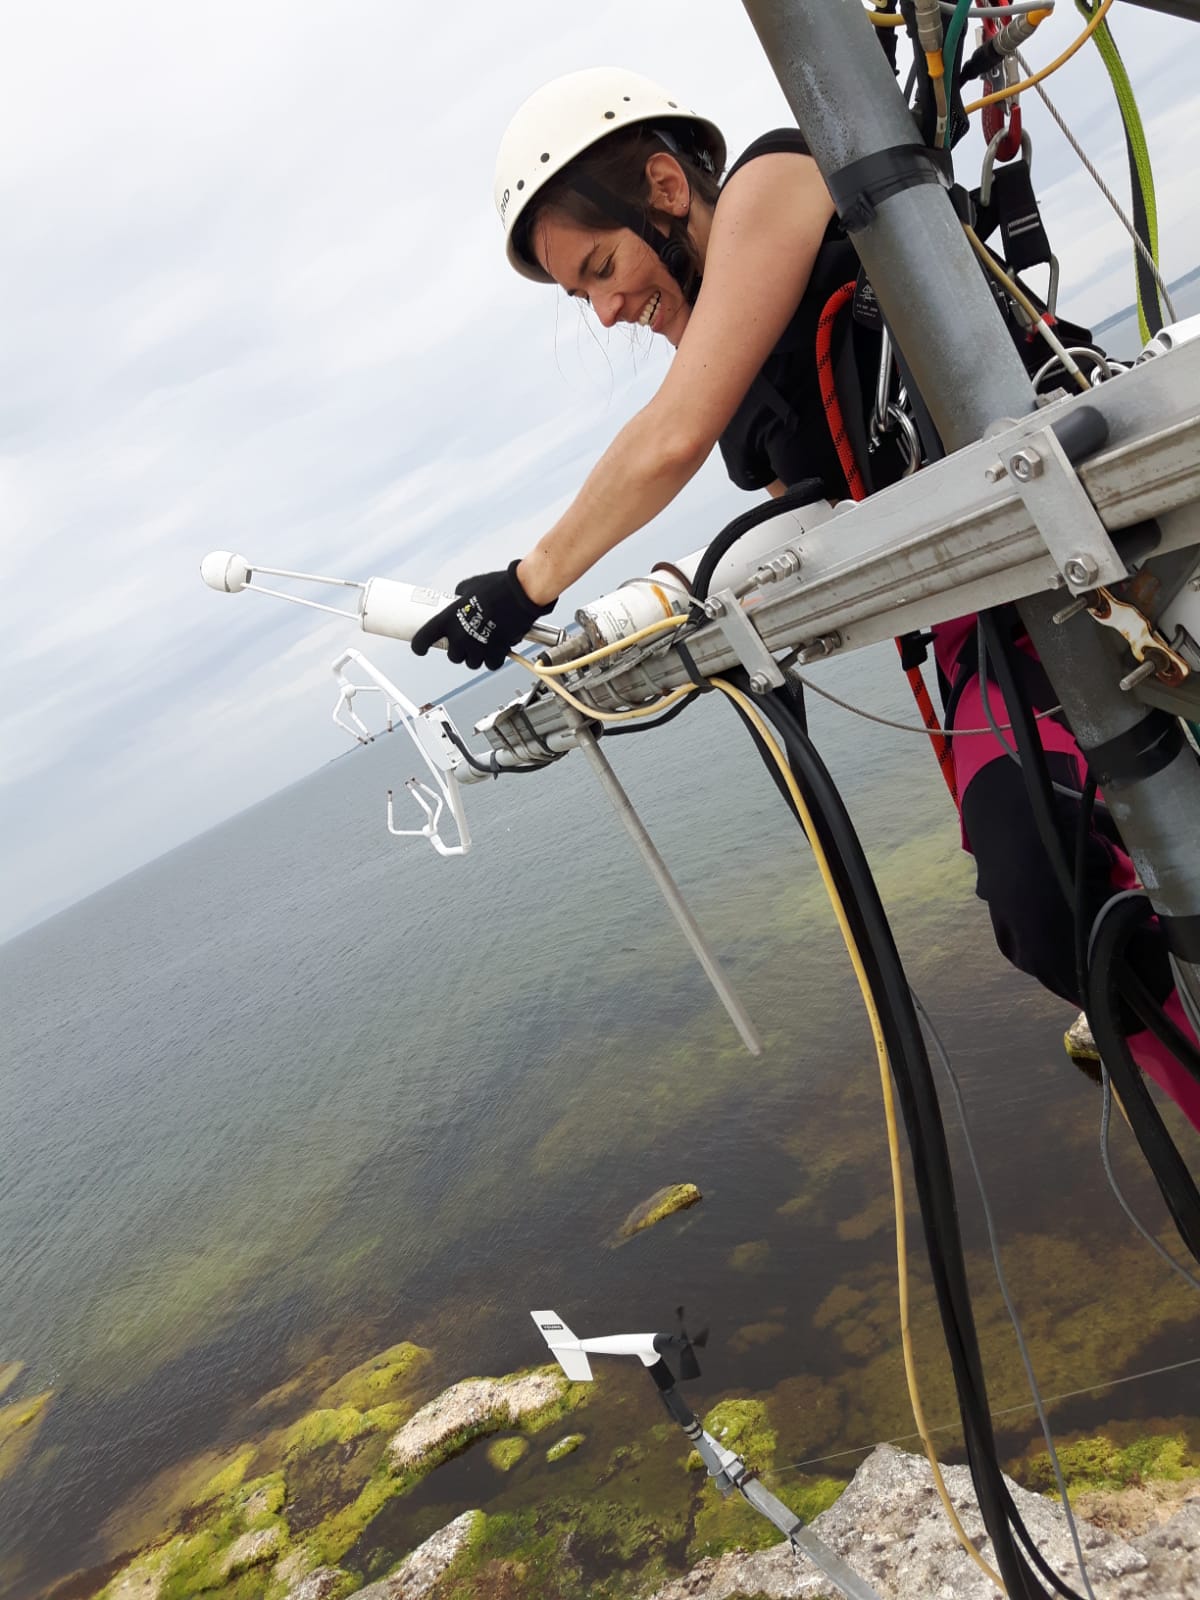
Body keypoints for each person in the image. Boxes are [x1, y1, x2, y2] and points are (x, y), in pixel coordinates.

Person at [411, 67, 1200, 1128]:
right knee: (1037, 898)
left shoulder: (783, 176)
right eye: (578, 297)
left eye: (600, 268)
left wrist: (523, 584)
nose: (604, 311)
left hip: (1095, 513)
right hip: (980, 610)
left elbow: (669, 434)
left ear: (663, 184)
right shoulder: (751, 399)